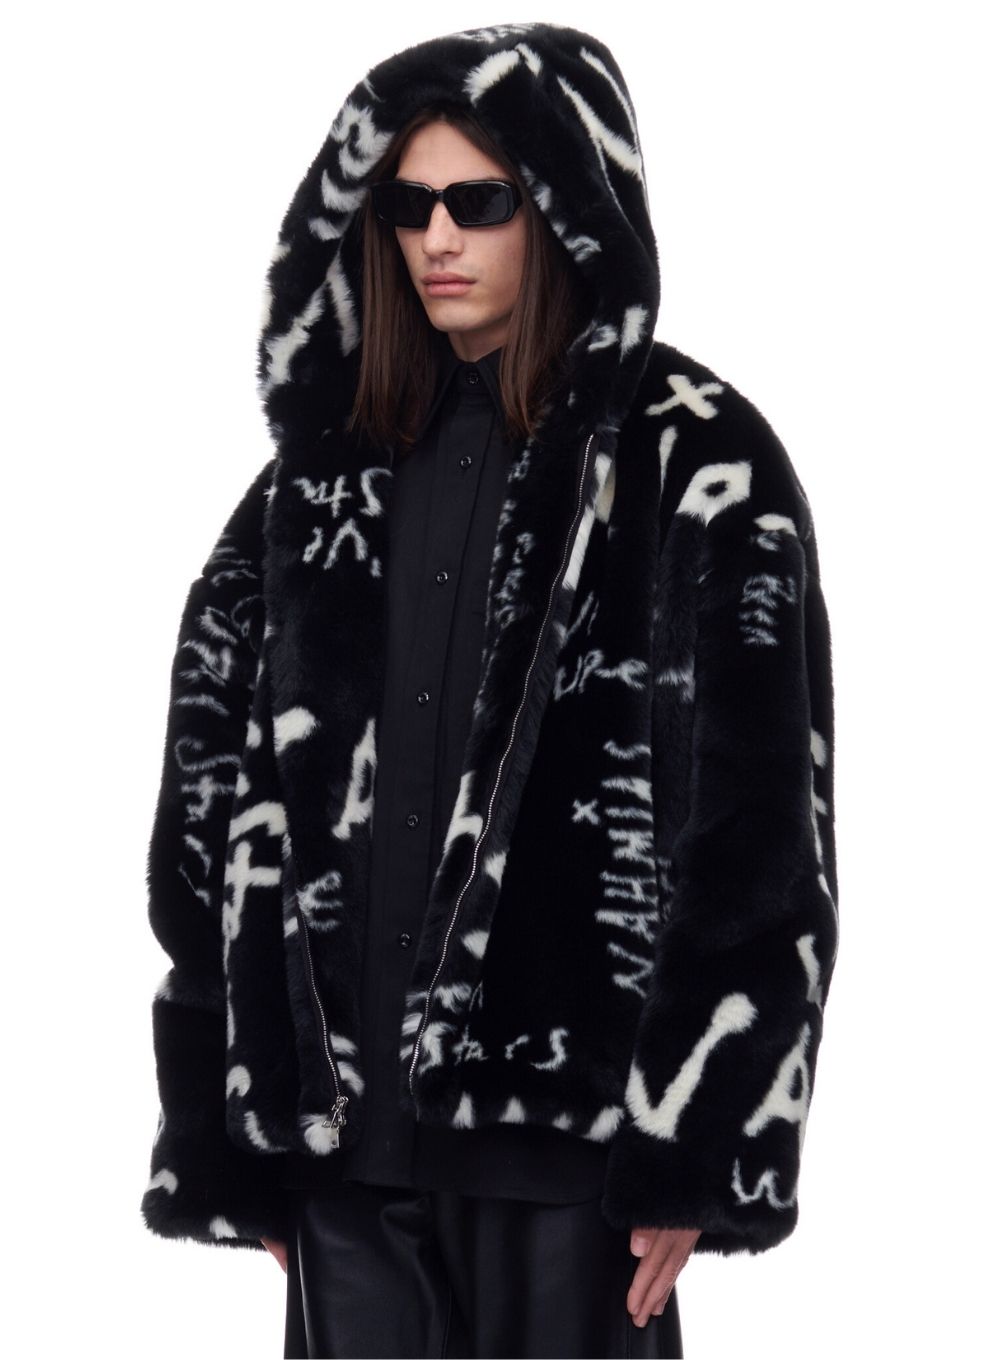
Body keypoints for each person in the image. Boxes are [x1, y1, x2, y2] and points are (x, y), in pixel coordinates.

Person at [139, 21, 839, 1360]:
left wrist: (702, 1143)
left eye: (480, 202)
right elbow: (207, 812)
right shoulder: (312, 487)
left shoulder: (698, 465)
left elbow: (762, 831)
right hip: (345, 1161)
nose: (439, 239)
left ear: (567, 210)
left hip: (569, 1146)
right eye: (407, 208)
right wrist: (234, 1130)